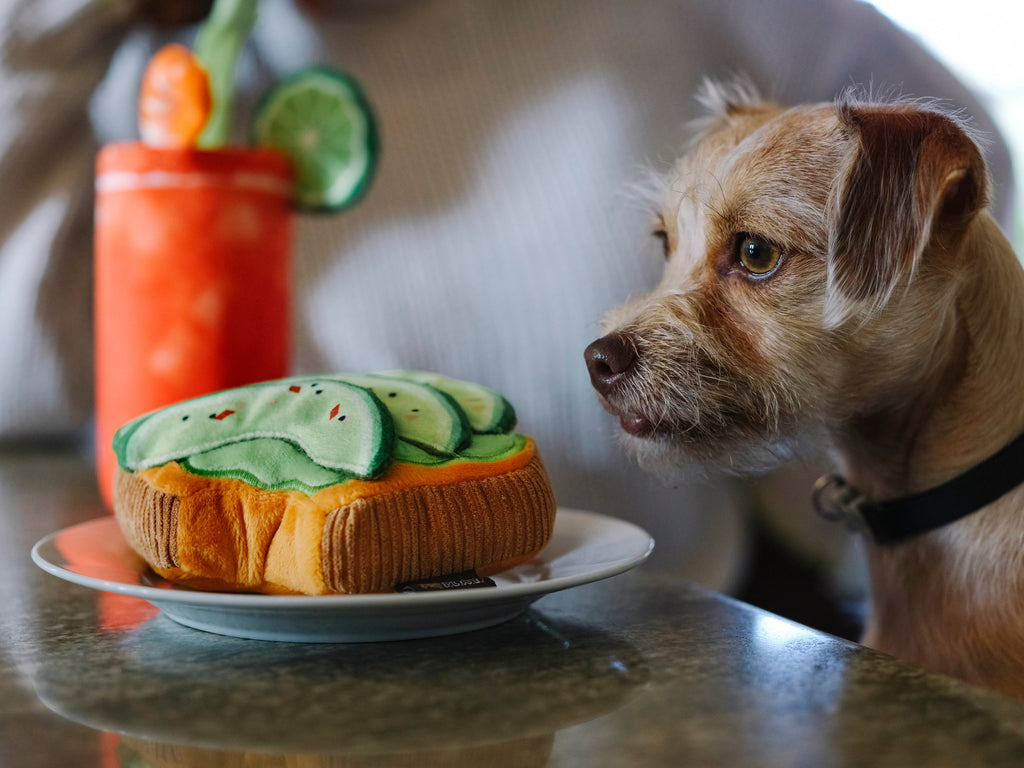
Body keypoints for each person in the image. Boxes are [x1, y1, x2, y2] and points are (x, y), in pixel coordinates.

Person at [0, 0, 1014, 599]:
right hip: (260, 626)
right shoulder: (152, 77)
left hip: (679, 623)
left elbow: (969, 184)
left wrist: (814, 417)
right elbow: (21, 386)